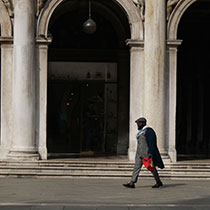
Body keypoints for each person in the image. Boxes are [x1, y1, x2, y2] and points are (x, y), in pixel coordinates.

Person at [123, 117, 165, 188]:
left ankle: (158, 182)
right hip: (139, 153)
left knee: (151, 168)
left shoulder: (149, 131)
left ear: (143, 123)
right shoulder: (141, 132)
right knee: (136, 167)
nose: (137, 125)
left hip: (146, 153)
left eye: (138, 124)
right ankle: (132, 182)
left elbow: (152, 143)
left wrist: (150, 153)